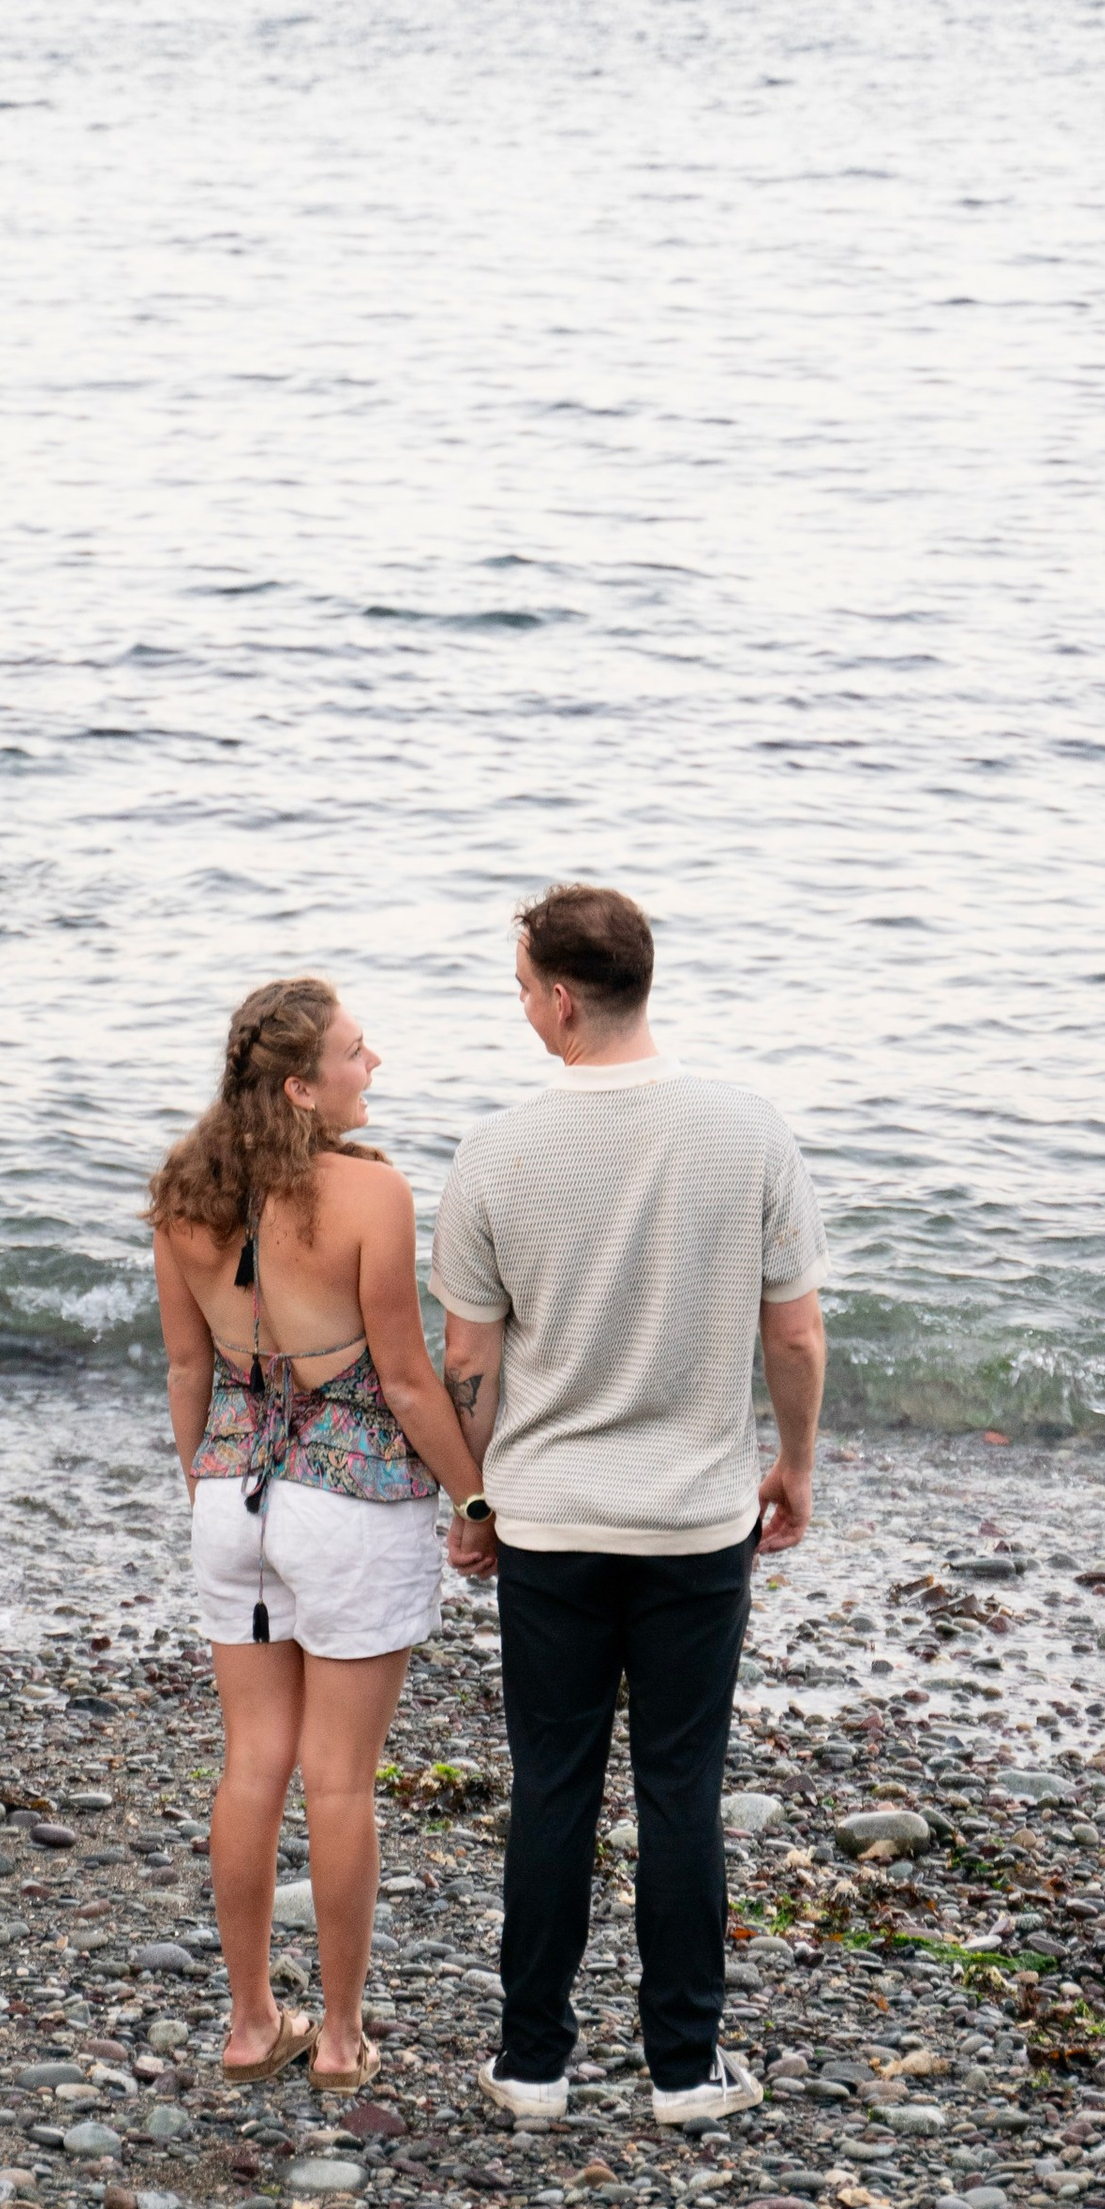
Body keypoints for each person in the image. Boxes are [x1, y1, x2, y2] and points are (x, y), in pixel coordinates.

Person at [431, 883, 826, 2128]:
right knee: (679, 1788)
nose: (521, 1009)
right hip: (694, 1521)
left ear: (561, 1000)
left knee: (552, 1783)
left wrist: (473, 1500)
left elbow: (468, 1362)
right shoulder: (747, 1131)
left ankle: (533, 2063)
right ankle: (684, 2068)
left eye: (520, 990)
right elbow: (795, 1335)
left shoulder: (495, 1152)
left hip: (549, 1521)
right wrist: (794, 1463)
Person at [152, 977, 491, 2095]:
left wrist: (203, 1484)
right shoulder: (369, 1193)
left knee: (253, 1762)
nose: (372, 1063)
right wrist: (476, 1500)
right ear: (301, 1088)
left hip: (231, 1499)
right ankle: (340, 2041)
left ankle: (252, 2024)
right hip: (348, 1506)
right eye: (354, 1051)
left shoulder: (184, 1190)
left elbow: (189, 1369)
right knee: (339, 1781)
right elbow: (405, 1377)